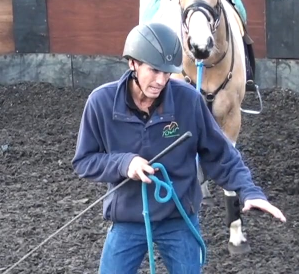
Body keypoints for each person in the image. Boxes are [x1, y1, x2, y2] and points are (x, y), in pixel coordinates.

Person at [71, 22, 286, 273]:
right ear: (132, 63)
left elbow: (222, 156)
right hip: (128, 218)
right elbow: (84, 160)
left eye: (167, 72)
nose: (161, 80)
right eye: (154, 70)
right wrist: (123, 163)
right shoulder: (101, 102)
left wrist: (250, 192)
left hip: (179, 218)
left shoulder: (188, 100)